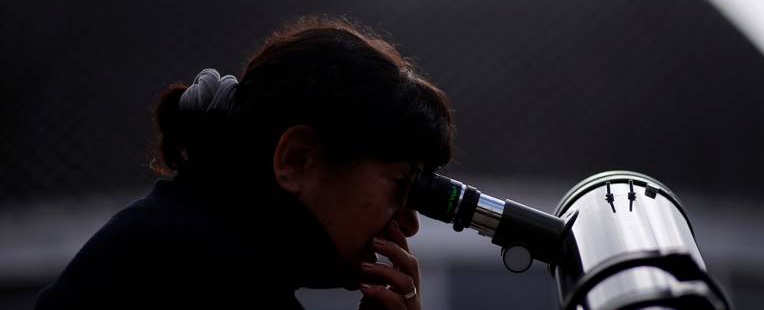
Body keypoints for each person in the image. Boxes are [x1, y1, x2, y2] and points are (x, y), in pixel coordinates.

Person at [34, 16, 454, 310]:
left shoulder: (180, 241)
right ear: (297, 159)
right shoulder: (209, 278)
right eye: (400, 185)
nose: (410, 223)